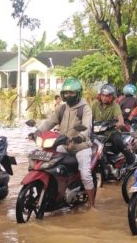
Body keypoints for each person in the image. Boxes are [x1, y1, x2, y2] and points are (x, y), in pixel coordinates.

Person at [36, 77, 96, 208]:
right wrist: (37, 132)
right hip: (64, 145)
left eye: (71, 93)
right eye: (66, 93)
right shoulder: (62, 108)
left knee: (85, 174)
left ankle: (92, 205)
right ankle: (58, 196)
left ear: (78, 93)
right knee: (50, 166)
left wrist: (81, 137)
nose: (68, 96)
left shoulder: (85, 108)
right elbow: (49, 122)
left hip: (81, 146)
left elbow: (87, 126)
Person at [91, 83, 135, 164]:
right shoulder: (95, 104)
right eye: (103, 95)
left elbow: (120, 120)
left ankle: (130, 158)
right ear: (100, 95)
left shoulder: (115, 106)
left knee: (117, 139)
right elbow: (89, 117)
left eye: (107, 96)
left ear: (112, 97)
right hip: (96, 133)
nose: (104, 98)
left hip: (110, 132)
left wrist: (118, 123)